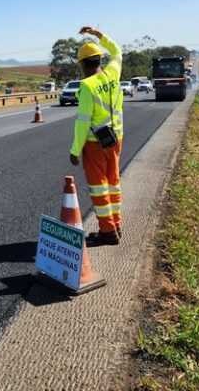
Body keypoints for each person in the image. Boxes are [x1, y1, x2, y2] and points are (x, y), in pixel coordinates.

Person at [69, 26, 124, 246]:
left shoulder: (86, 87)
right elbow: (117, 50)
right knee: (113, 183)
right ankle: (116, 224)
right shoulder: (113, 73)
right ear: (100, 59)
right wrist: (98, 34)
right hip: (117, 137)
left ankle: (107, 231)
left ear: (82, 64)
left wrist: (74, 150)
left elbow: (82, 124)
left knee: (99, 187)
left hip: (94, 144)